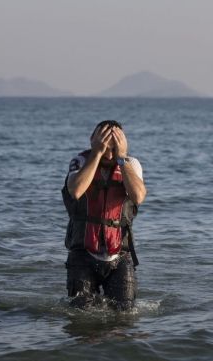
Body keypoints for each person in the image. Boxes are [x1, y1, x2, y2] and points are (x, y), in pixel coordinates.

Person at [61, 120, 147, 310]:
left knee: (124, 315)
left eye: (114, 147)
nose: (109, 153)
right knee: (81, 316)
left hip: (120, 255)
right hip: (82, 254)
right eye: (105, 147)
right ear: (93, 141)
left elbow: (138, 196)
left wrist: (121, 157)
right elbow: (75, 190)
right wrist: (96, 153)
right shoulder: (81, 161)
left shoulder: (131, 164)